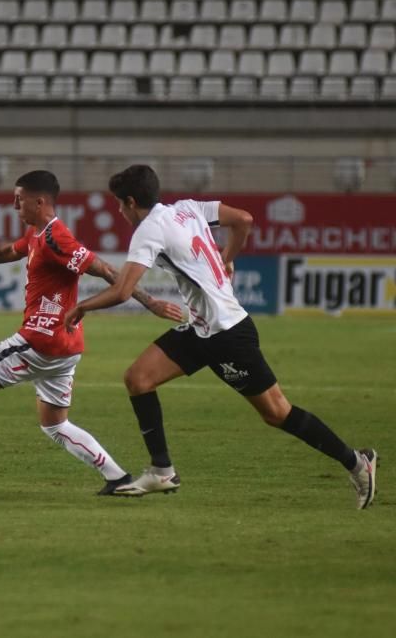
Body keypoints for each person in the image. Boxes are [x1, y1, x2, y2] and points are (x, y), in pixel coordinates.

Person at [63, 164, 377, 508]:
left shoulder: (149, 230)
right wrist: (228, 258)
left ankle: (358, 463)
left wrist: (82, 307)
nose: (120, 213)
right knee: (138, 378)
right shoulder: (187, 208)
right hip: (202, 330)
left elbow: (123, 290)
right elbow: (243, 220)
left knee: (277, 413)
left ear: (131, 201)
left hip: (227, 334)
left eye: (120, 205)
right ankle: (162, 470)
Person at [0, 170, 183, 494]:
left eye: (18, 199)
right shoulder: (36, 234)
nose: (14, 204)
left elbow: (104, 269)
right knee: (55, 424)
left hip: (39, 340)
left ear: (39, 201)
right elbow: (5, 252)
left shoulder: (55, 238)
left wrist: (149, 301)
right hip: (66, 348)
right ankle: (117, 477)